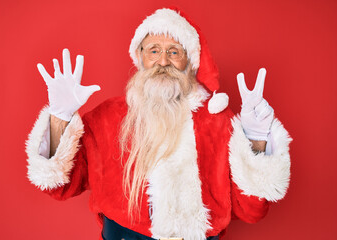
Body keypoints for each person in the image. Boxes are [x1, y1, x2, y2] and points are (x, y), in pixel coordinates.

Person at [26, 8, 292, 240]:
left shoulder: (220, 124)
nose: (163, 61)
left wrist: (257, 138)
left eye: (174, 51)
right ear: (140, 57)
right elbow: (58, 186)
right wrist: (59, 116)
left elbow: (251, 211)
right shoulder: (106, 118)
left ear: (190, 62)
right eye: (154, 50)